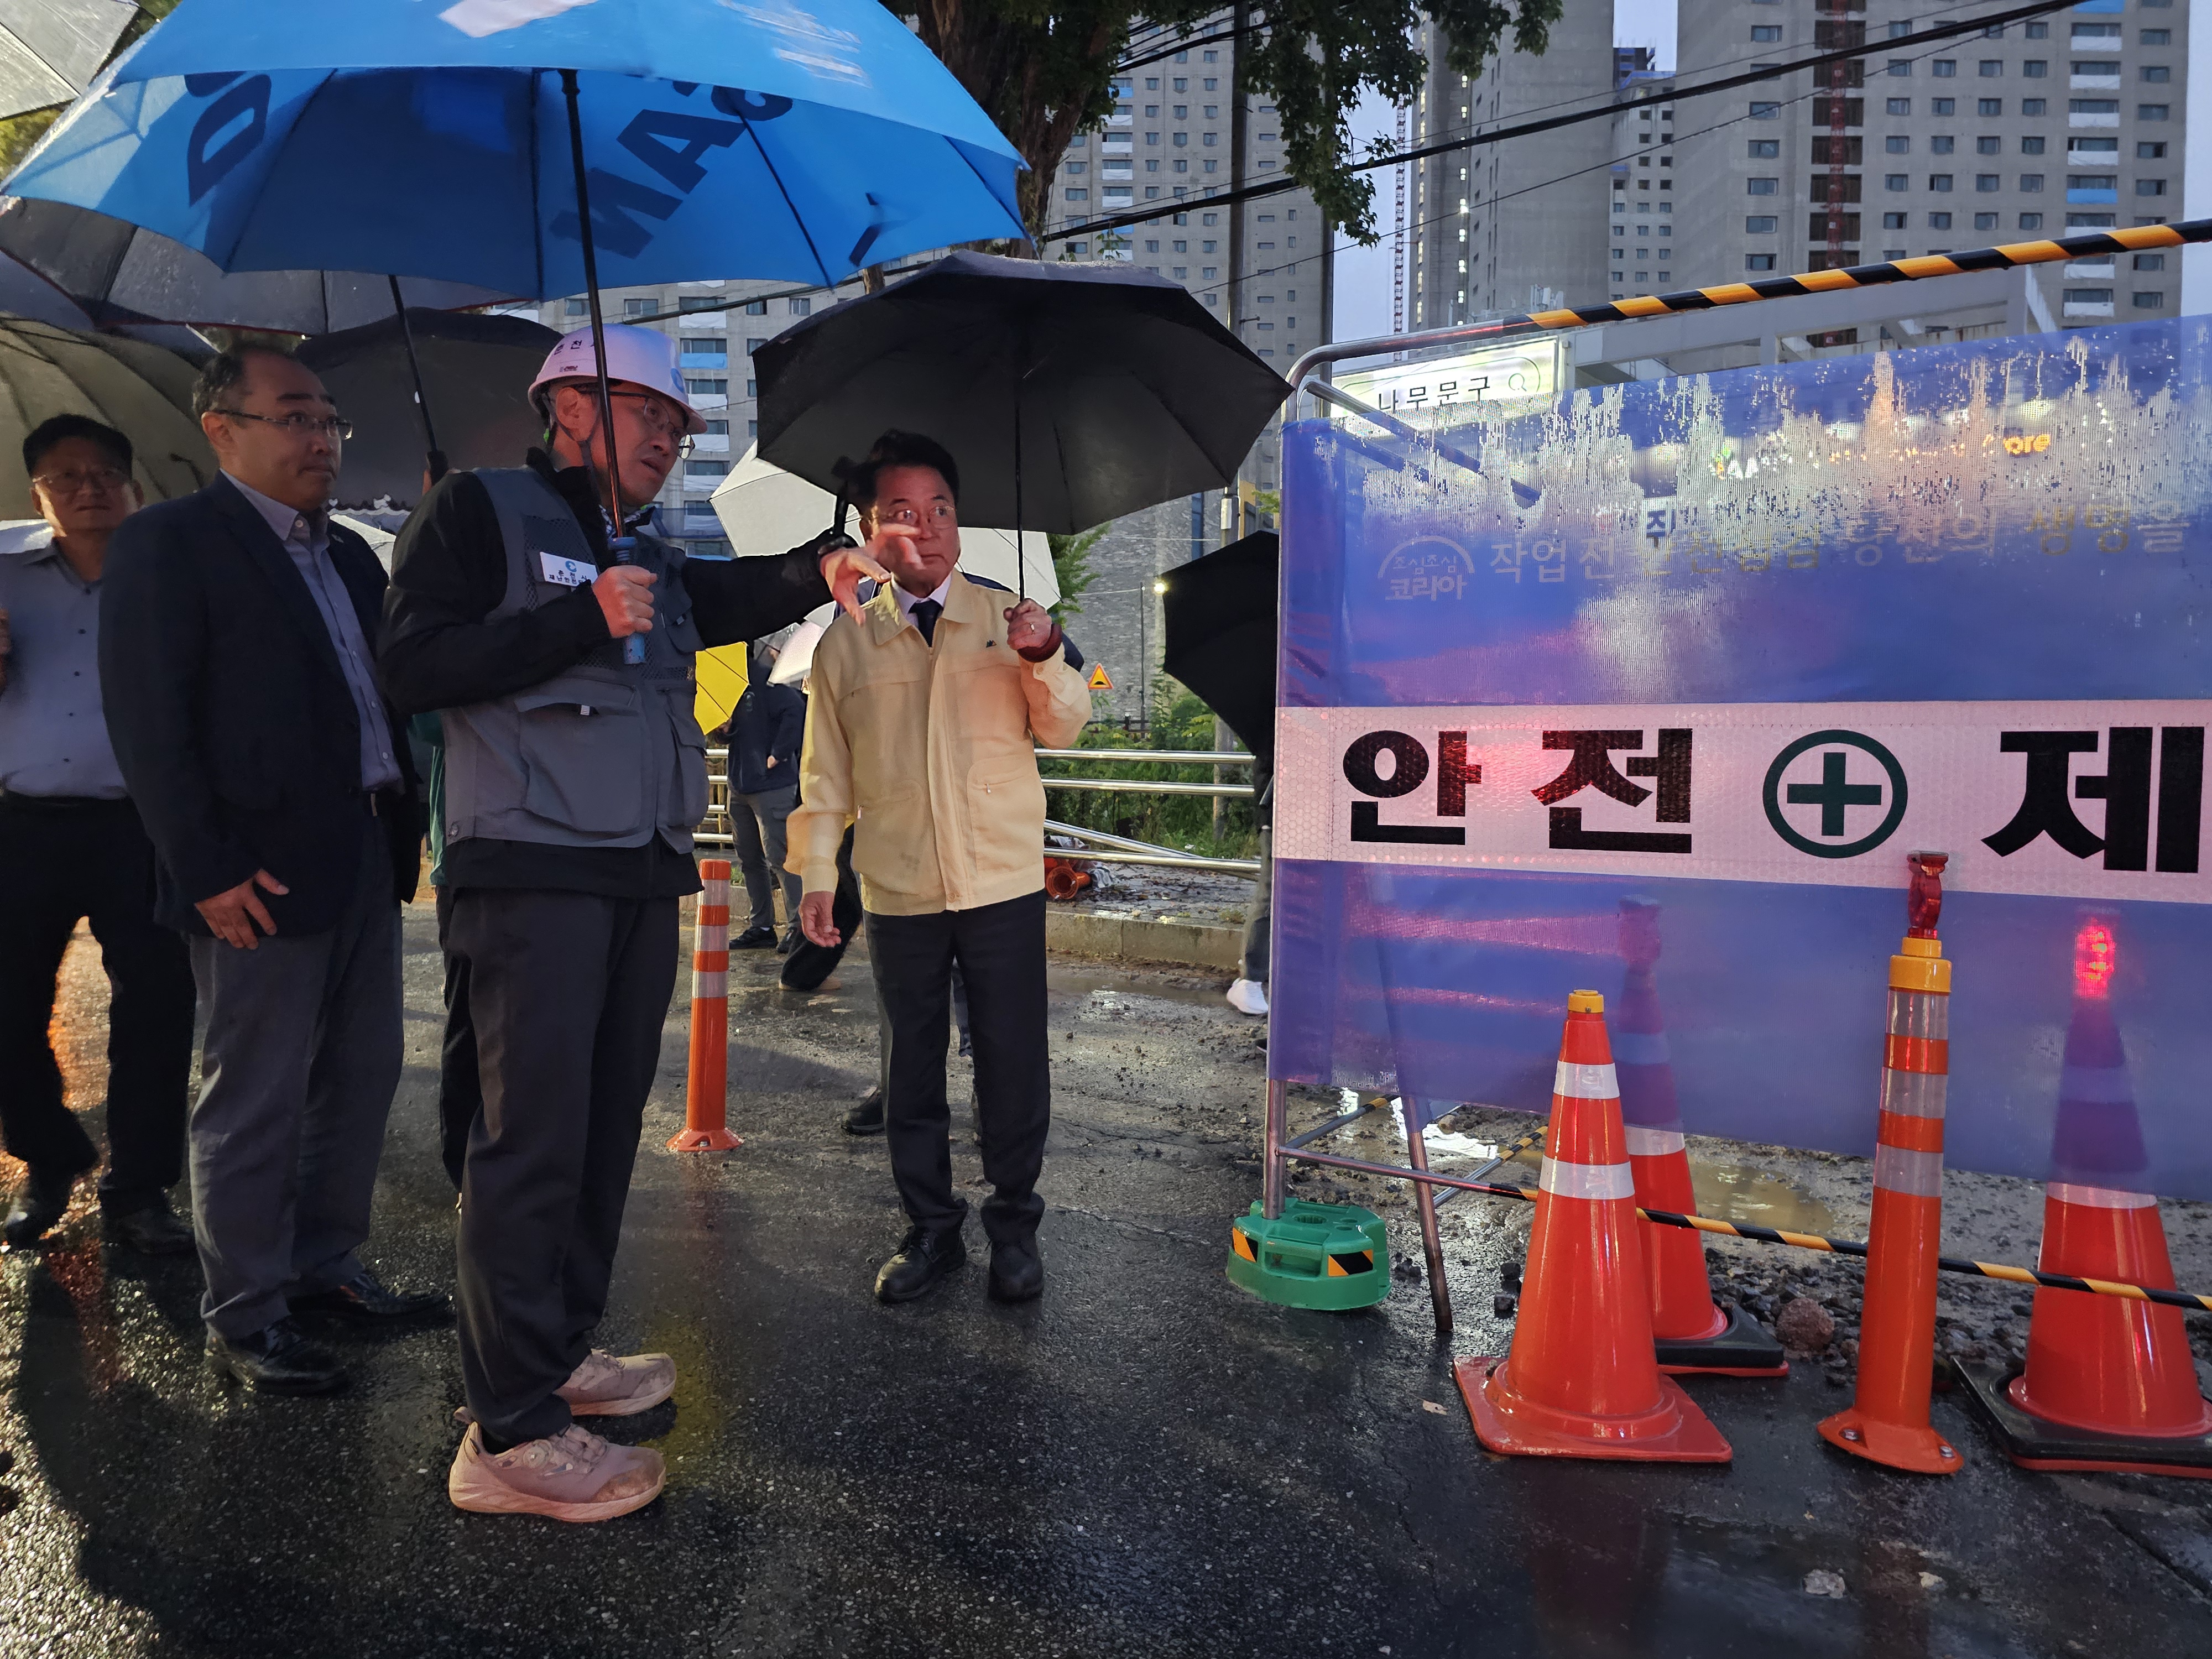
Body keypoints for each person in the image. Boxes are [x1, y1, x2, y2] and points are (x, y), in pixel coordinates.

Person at [379, 324, 886, 1524]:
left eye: (679, 423)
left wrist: (825, 560)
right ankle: (505, 1433)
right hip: (529, 869)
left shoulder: (646, 550)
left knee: (601, 1135)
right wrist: (576, 616)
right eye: (649, 413)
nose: (672, 435)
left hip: (634, 873)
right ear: (567, 405)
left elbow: (723, 595)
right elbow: (409, 666)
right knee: (528, 1141)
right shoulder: (476, 514)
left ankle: (553, 1356)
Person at [98, 346, 442, 1396]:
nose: (322, 439)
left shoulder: (349, 556)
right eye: (295, 416)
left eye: (331, 420)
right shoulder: (170, 545)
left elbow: (394, 684)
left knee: (359, 1075)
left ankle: (322, 1267)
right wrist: (204, 867)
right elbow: (150, 724)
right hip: (252, 875)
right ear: (222, 429)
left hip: (362, 852)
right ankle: (245, 1311)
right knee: (253, 1096)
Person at [789, 431, 1089, 1305]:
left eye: (942, 509)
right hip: (899, 890)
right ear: (869, 528)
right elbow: (825, 778)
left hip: (1001, 884)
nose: (927, 528)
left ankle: (1015, 1228)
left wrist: (1045, 655)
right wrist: (815, 877)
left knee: (1011, 1062)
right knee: (910, 1068)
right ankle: (930, 1229)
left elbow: (1066, 728)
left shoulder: (1006, 619)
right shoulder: (845, 646)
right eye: (902, 513)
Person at [0, 416, 197, 1254]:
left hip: (142, 826)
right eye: (65, 476)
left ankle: (140, 1190)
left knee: (157, 1010)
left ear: (134, 485)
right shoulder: (4, 576)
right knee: (7, 1008)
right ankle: (48, 1156)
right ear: (38, 491)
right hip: (22, 824)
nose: (88, 488)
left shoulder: (171, 578)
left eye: (104, 473)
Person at [727, 634, 805, 951]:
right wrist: (725, 729)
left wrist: (779, 753)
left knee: (782, 857)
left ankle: (798, 926)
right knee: (750, 859)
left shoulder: (777, 682)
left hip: (772, 785)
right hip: (740, 782)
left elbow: (796, 711)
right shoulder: (738, 682)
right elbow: (735, 729)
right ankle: (761, 925)